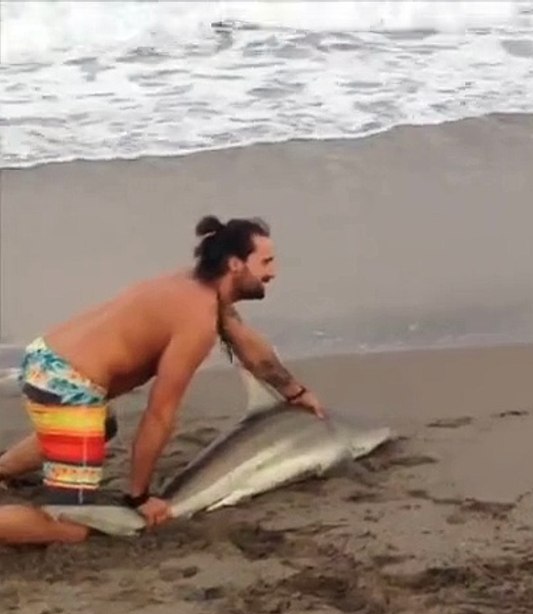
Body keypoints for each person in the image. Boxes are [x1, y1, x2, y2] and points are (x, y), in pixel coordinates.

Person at [0, 215, 325, 545]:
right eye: (266, 262)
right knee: (72, 523)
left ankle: (2, 471)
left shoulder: (192, 285)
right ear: (235, 264)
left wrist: (294, 391)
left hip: (45, 358)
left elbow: (249, 347)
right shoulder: (197, 321)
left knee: (98, 427)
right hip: (67, 384)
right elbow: (159, 414)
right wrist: (139, 497)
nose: (274, 272)